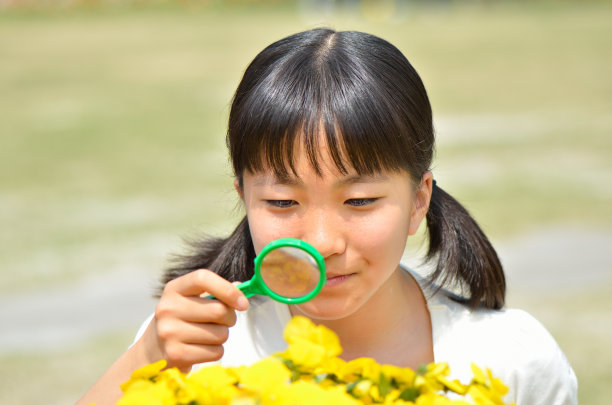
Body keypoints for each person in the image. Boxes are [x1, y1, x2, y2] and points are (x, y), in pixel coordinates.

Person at [77, 28, 577, 405]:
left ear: (418, 199)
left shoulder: (512, 361)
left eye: (359, 201)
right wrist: (146, 358)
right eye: (281, 203)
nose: (320, 242)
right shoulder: (194, 349)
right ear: (243, 197)